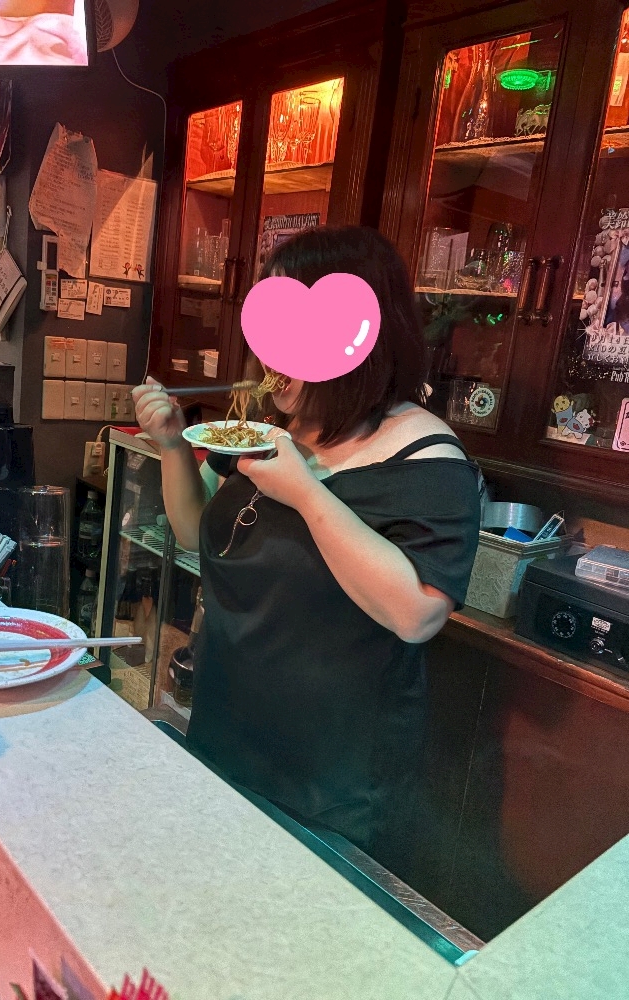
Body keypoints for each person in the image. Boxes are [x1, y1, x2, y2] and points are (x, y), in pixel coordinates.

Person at [132, 226, 481, 866]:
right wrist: (174, 446)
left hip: (330, 781)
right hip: (227, 729)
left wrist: (307, 495)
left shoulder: (426, 456)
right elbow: (193, 530)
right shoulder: (273, 430)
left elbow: (417, 613)